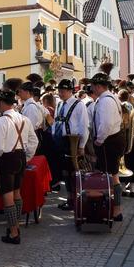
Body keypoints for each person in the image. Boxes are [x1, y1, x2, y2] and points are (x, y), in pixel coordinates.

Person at [0, 88, 38, 245]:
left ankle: (13, 232)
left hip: (7, 159)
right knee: (17, 192)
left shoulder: (0, 121)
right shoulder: (24, 119)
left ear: (3, 103)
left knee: (8, 195)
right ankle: (16, 224)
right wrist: (28, 156)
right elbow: (34, 141)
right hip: (21, 156)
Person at [90, 72, 125, 221]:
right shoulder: (110, 98)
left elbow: (106, 124)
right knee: (112, 175)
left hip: (108, 142)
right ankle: (113, 208)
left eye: (93, 87)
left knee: (110, 176)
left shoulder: (105, 101)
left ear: (98, 86)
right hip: (113, 140)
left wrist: (99, 140)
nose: (92, 90)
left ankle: (115, 210)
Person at [53, 79, 89, 210]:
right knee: (65, 172)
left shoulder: (79, 105)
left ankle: (75, 199)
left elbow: (84, 126)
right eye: (59, 91)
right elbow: (56, 122)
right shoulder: (59, 104)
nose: (60, 93)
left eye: (62, 91)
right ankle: (69, 198)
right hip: (61, 141)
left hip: (73, 142)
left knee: (74, 172)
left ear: (69, 91)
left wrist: (81, 146)